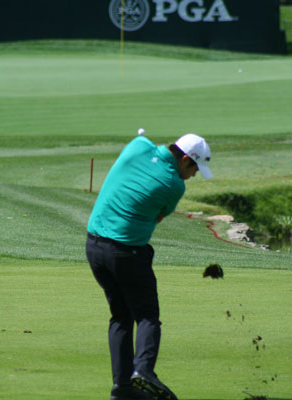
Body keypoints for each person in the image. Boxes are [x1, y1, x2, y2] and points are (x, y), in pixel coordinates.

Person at [86, 133, 212, 400]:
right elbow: (158, 217)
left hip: (94, 247)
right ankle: (143, 371)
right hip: (126, 252)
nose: (193, 175)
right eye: (194, 168)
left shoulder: (138, 147)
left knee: (120, 316)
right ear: (185, 159)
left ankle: (122, 388)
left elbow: (141, 140)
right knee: (147, 316)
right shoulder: (174, 185)